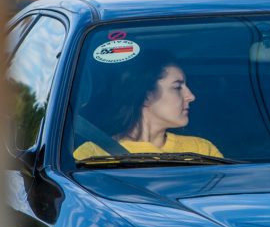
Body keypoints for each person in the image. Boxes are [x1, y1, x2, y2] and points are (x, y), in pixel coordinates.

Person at [73, 50, 222, 160]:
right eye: (177, 87)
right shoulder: (91, 155)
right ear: (146, 95)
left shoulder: (201, 149)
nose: (191, 96)